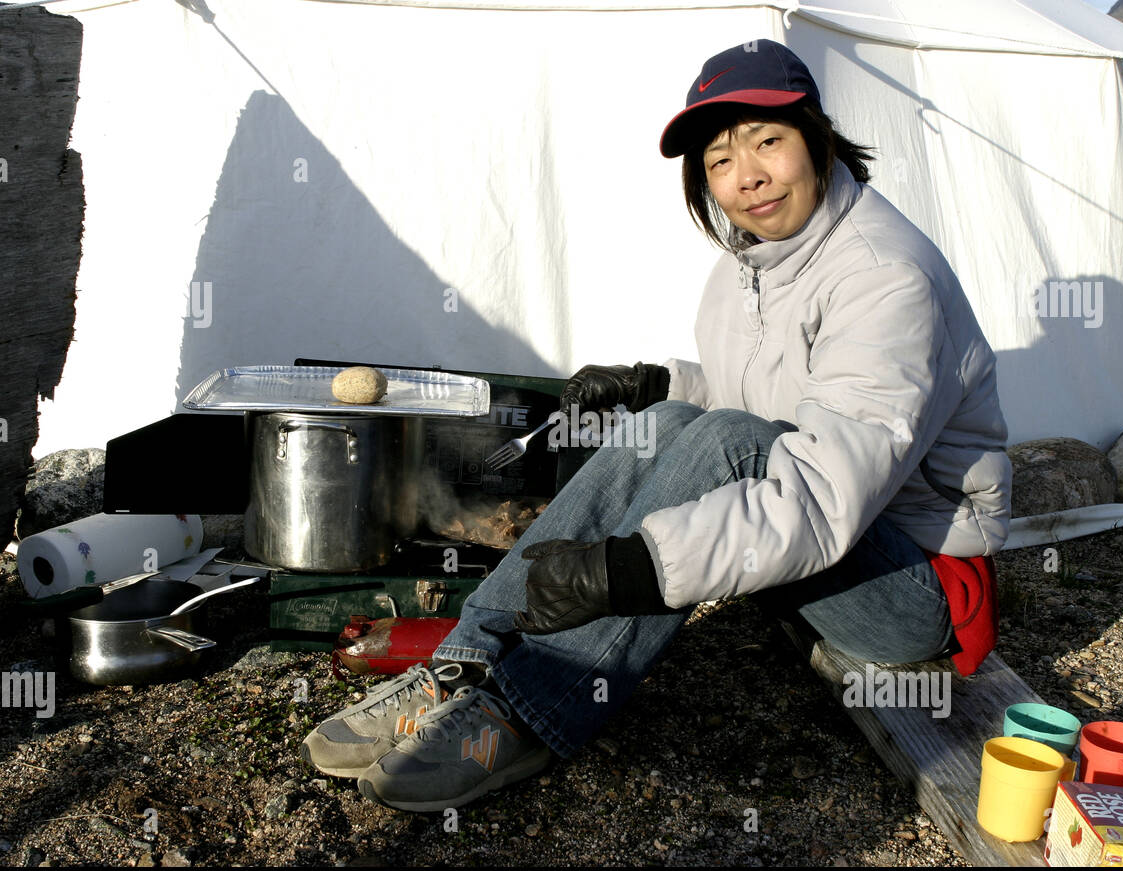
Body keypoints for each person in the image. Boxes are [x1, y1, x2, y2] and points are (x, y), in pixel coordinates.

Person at [301, 39, 1011, 813]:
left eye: (768, 140)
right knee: (677, 417)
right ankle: (468, 663)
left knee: (717, 439)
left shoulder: (883, 275)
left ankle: (527, 709)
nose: (747, 177)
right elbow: (770, 402)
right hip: (815, 546)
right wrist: (658, 384)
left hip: (914, 590)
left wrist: (634, 569)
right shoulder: (759, 260)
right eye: (718, 160)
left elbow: (815, 494)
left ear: (817, 136)